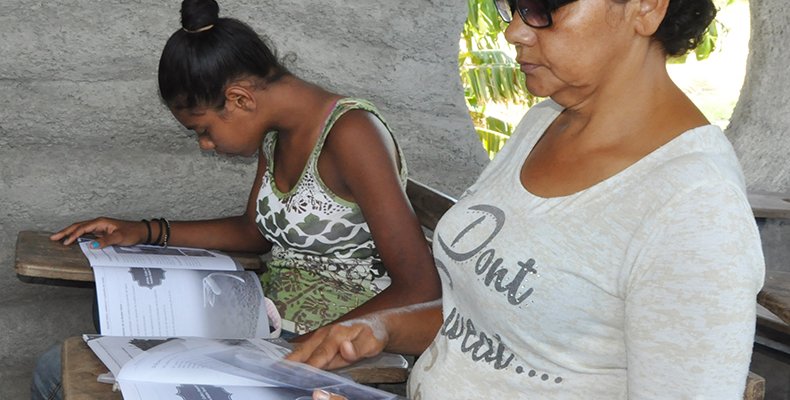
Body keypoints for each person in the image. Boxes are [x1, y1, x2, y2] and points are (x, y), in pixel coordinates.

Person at [288, 0, 766, 399]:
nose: (514, 31)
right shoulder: (544, 123)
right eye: (512, 6)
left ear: (646, 8)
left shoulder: (695, 208)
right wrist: (385, 328)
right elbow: (495, 320)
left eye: (543, 8)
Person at [31, 0, 440, 399]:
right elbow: (255, 231)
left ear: (241, 99)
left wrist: (317, 344)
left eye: (203, 129)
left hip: (326, 351)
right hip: (266, 324)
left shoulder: (353, 133)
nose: (206, 145)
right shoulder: (277, 134)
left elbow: (419, 288)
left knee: (64, 374)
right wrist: (145, 231)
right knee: (75, 351)